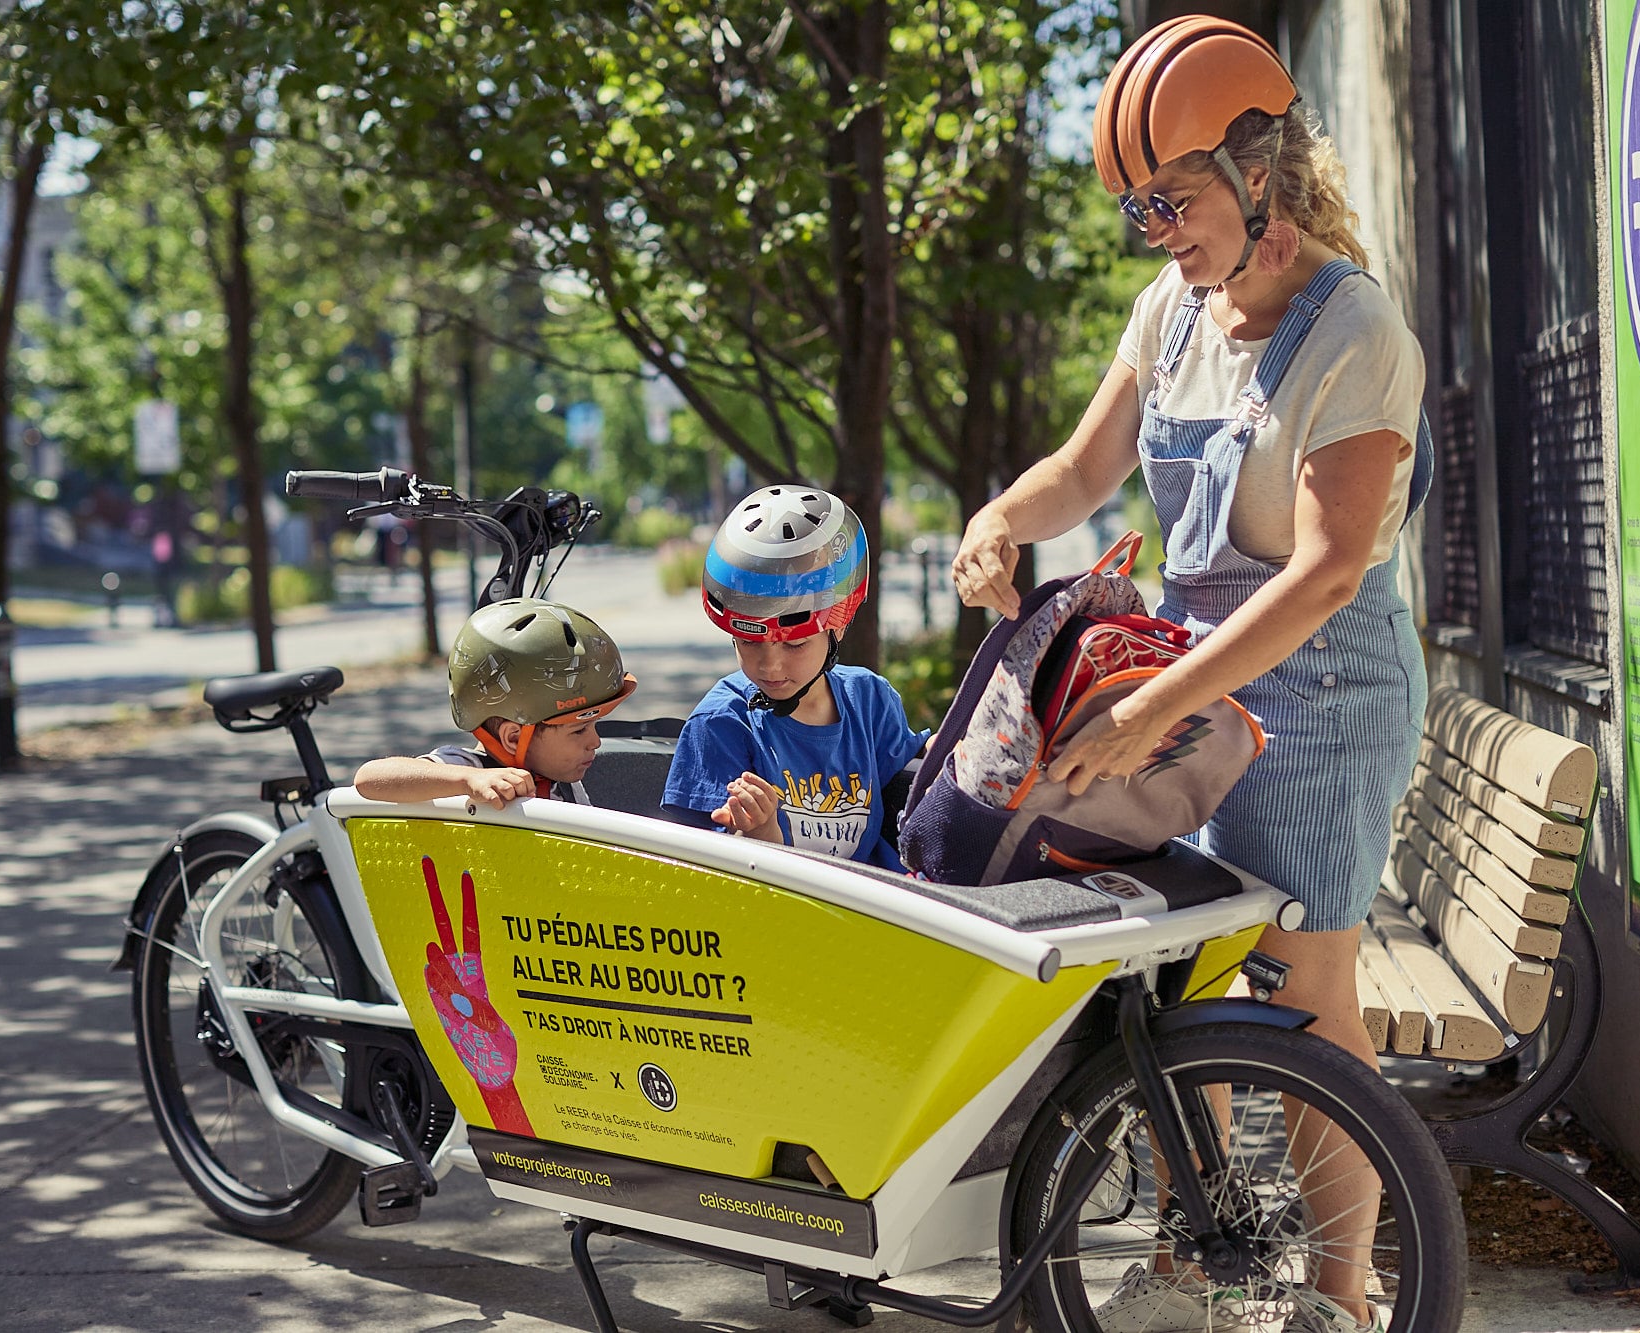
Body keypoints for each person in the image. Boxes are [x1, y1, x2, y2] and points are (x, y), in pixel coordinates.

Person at [950, 17, 1428, 1333]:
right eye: (1137, 206)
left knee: (1303, 985)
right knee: (1176, 972)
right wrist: (1003, 516)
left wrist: (1152, 710)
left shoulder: (1355, 334)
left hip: (1321, 692)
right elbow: (1085, 471)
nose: (1156, 226)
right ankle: (1199, 1246)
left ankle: (1340, 1288)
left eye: (1175, 195)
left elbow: (1326, 573)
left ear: (1261, 166)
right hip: (1194, 685)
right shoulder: (1171, 313)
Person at [661, 486, 928, 870]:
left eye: (794, 645)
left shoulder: (870, 700)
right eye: (750, 643)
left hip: (873, 906)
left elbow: (919, 772)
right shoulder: (721, 724)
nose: (770, 666)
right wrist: (761, 833)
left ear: (840, 625)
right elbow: (703, 872)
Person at [354, 598, 636, 806]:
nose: (595, 742)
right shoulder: (470, 768)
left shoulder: (565, 785)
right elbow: (369, 778)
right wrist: (467, 781)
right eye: (578, 730)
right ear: (514, 737)